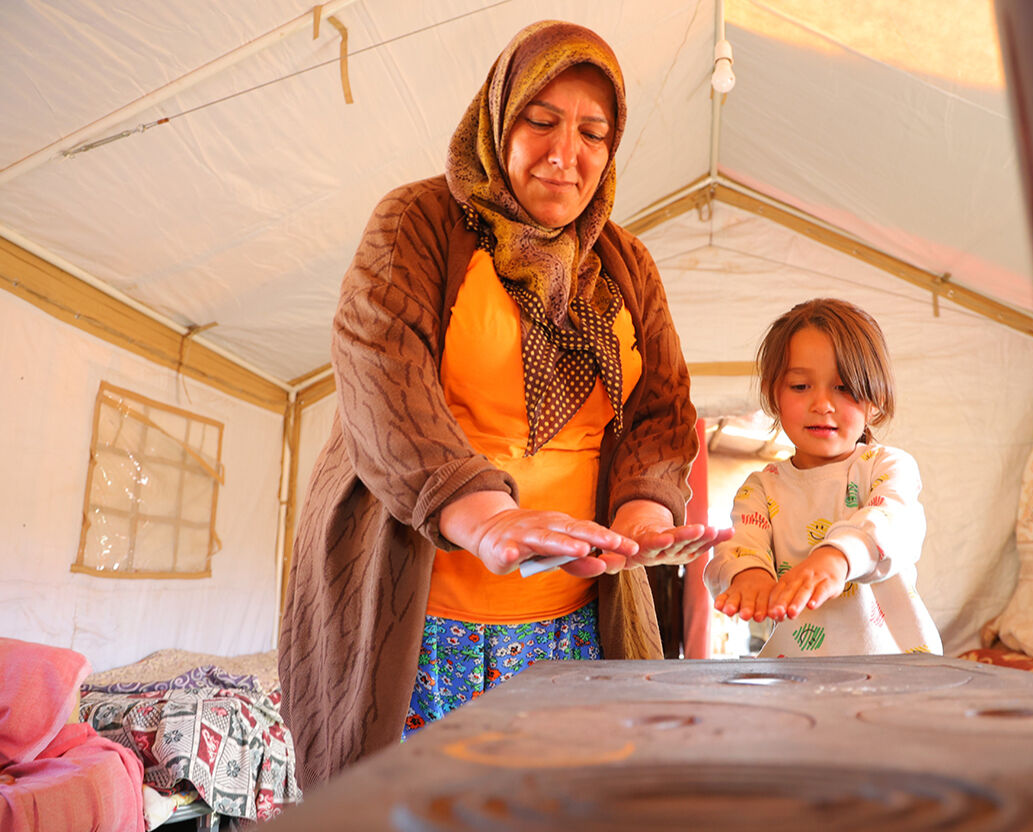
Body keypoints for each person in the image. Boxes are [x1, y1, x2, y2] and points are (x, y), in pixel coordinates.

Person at [279, 20, 729, 790]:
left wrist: (643, 512)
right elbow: (380, 379)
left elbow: (661, 409)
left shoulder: (626, 264)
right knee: (408, 817)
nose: (565, 153)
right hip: (422, 624)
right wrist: (485, 515)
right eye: (540, 120)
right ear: (497, 119)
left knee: (564, 817)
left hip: (574, 626)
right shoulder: (419, 223)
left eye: (593, 133)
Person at [705, 298, 942, 657]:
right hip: (796, 672)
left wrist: (838, 557)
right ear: (773, 394)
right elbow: (739, 543)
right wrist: (747, 574)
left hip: (894, 668)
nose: (822, 404)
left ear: (875, 399)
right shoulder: (762, 488)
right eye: (800, 386)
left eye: (843, 388)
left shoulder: (888, 466)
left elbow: (893, 520)